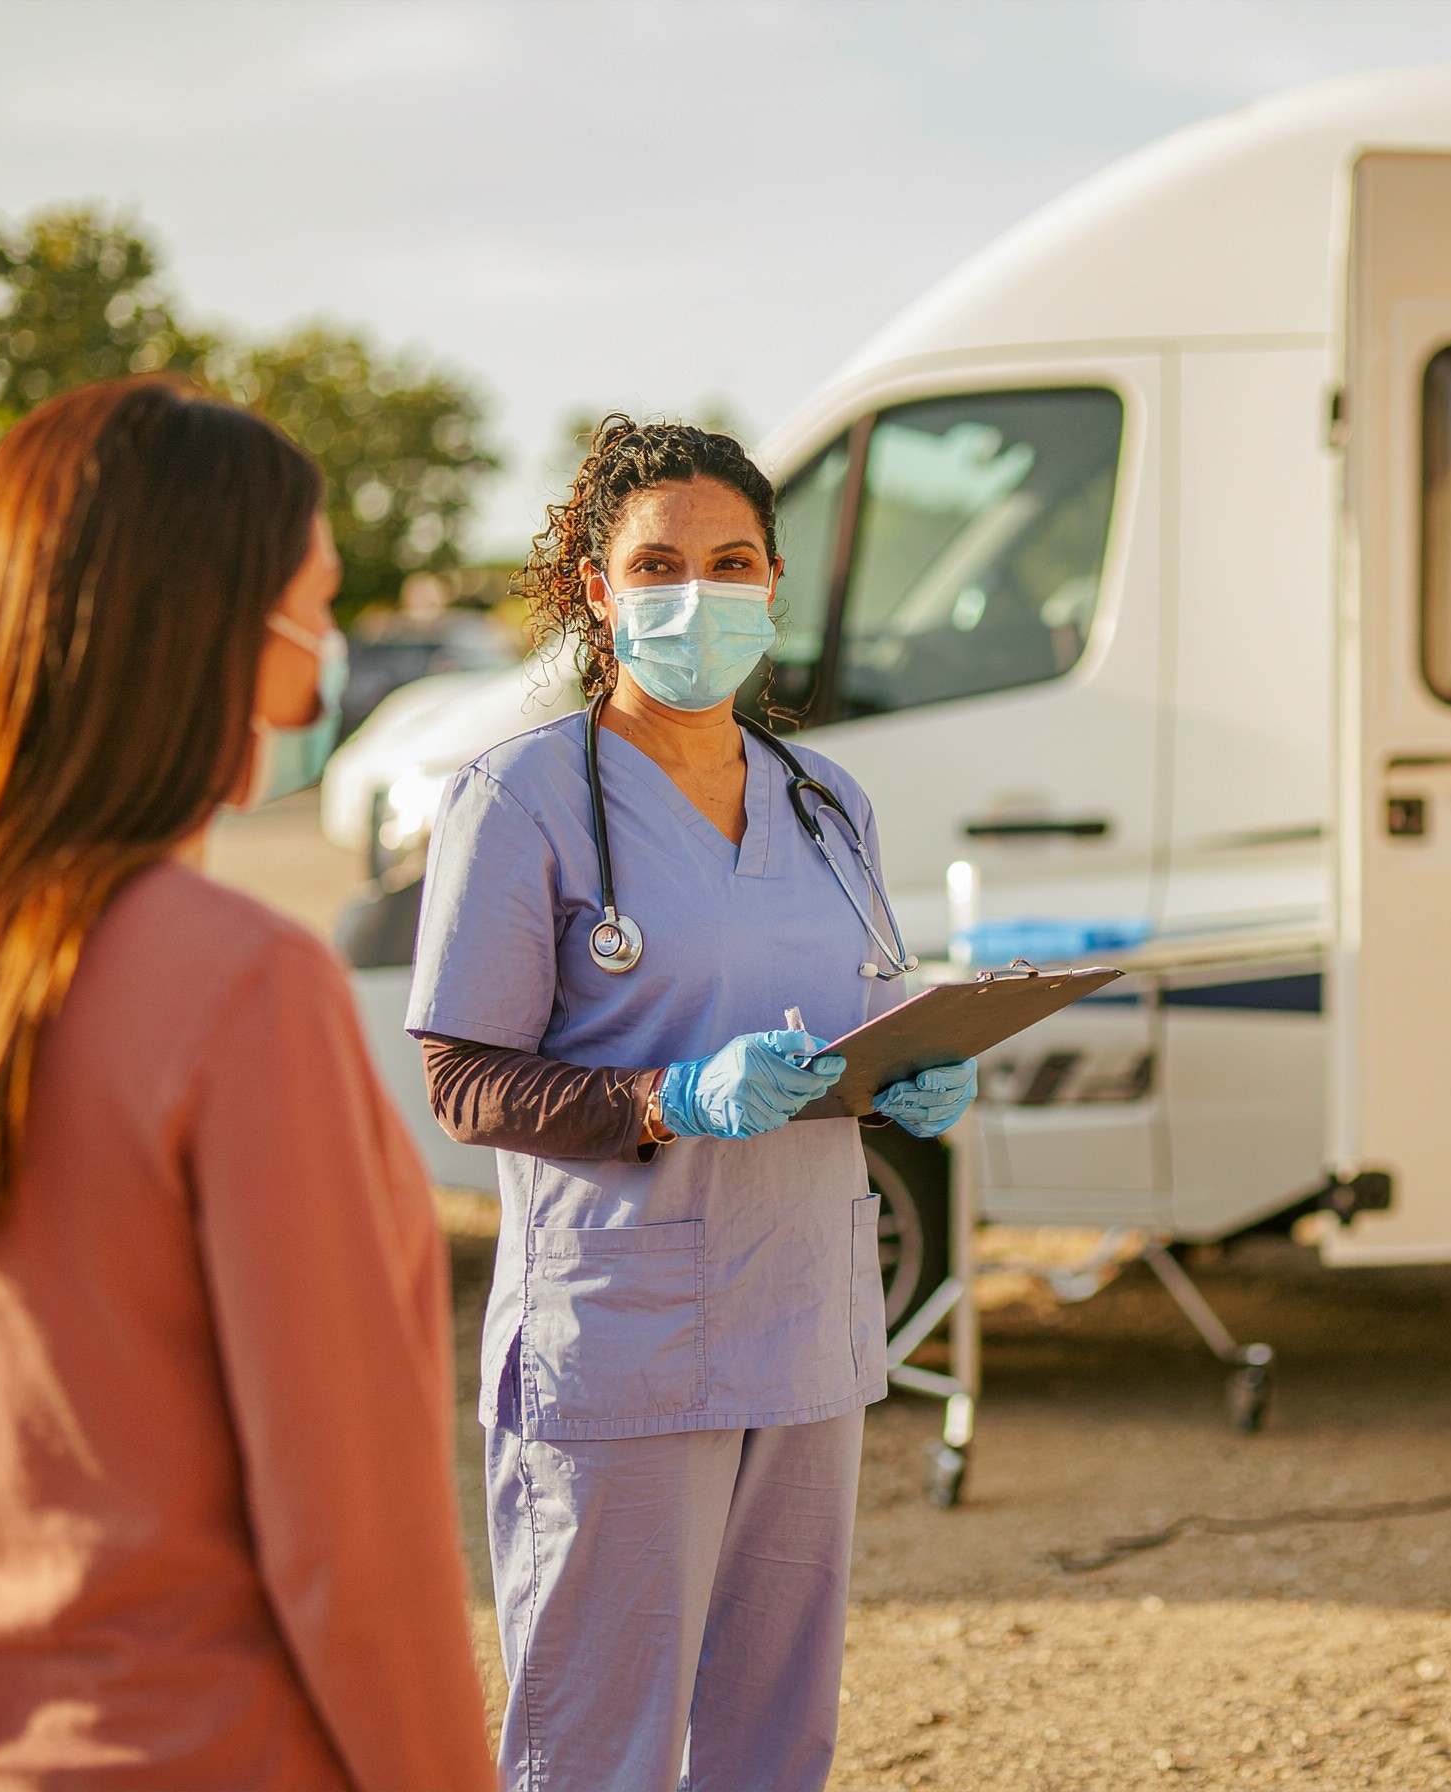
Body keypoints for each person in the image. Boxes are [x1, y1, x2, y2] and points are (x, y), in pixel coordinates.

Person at [0, 378, 496, 1791]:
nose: (324, 669)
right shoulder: (245, 987)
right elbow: (348, 1546)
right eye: (317, 608)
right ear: (217, 633)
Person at [407, 417, 975, 1792]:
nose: (697, 594)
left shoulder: (827, 801)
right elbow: (463, 1081)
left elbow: (843, 1022)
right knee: (596, 1743)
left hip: (806, 1323)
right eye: (658, 563)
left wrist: (907, 1078)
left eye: (731, 562)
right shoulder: (519, 799)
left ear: (774, 582)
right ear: (599, 590)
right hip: (624, 1339)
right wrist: (670, 1098)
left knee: (775, 1738)